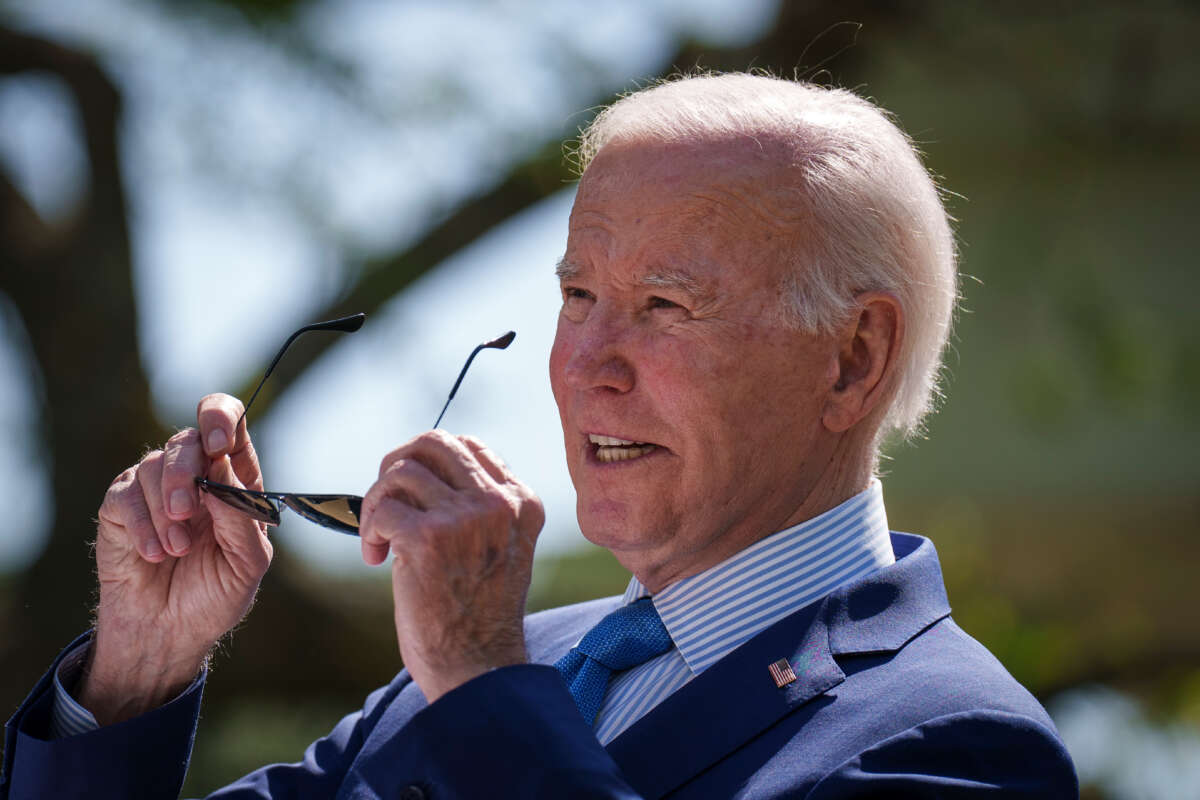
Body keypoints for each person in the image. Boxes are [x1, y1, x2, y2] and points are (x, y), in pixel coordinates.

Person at [2, 73, 1078, 798]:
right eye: (576, 295)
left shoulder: (955, 738)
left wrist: (481, 691)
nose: (585, 364)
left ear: (851, 358)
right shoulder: (487, 668)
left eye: (664, 304)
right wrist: (139, 671)